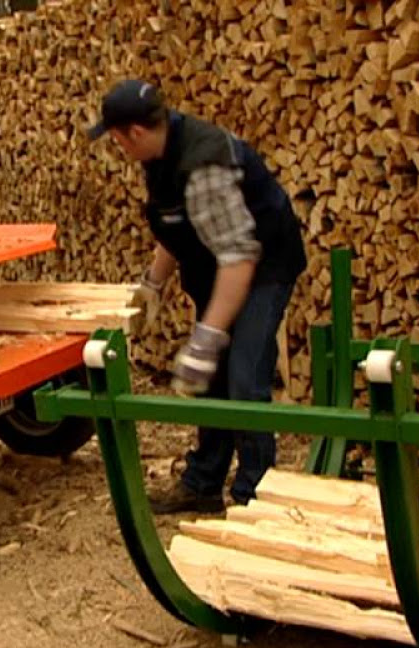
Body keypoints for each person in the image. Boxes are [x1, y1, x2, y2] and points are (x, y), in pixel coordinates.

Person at [87, 78, 307, 514]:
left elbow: (240, 257)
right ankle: (203, 483)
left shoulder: (204, 166)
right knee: (212, 379)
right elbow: (175, 225)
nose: (119, 149)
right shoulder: (161, 152)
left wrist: (207, 338)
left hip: (262, 264)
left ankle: (255, 497)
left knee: (244, 379)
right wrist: (151, 285)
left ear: (133, 132)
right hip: (219, 263)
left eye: (116, 139)